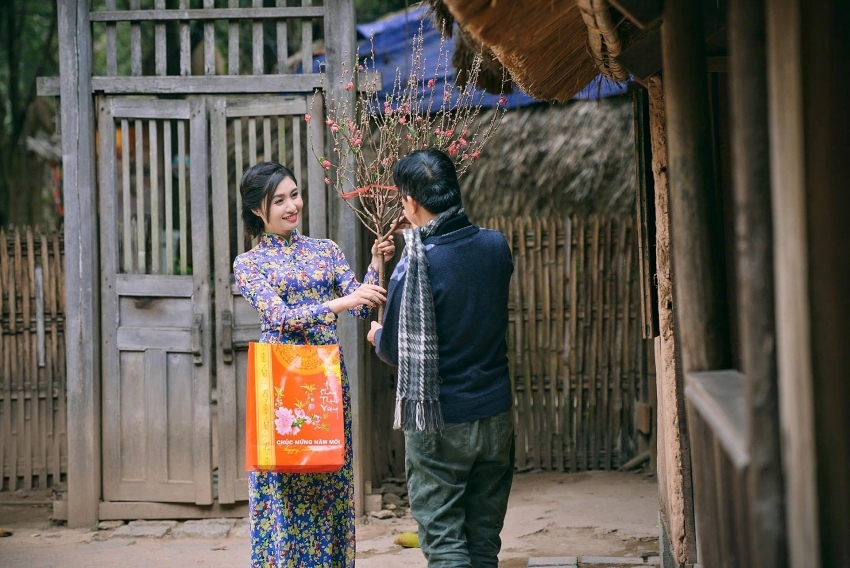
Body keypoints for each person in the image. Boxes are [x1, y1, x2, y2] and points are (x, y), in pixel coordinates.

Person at [233, 161, 394, 567]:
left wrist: (376, 262)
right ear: (257, 210)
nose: (293, 206)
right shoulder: (248, 265)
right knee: (284, 484)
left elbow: (362, 306)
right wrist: (343, 302)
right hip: (283, 386)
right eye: (280, 200)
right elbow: (280, 318)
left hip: (326, 382)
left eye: (295, 194)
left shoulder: (326, 250)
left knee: (331, 478)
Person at [367, 148, 515, 568]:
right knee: (484, 541)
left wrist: (378, 335)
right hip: (495, 414)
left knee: (446, 543)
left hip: (439, 421)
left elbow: (394, 350)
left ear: (411, 202)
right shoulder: (495, 246)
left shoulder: (415, 265)